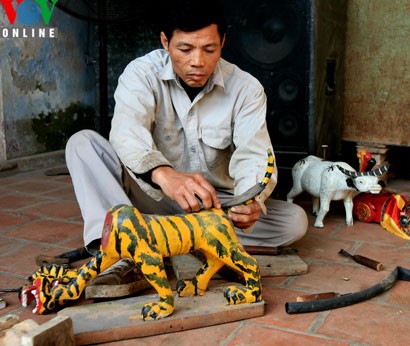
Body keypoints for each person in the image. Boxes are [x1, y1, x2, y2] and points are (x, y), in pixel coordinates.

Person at [65, 0, 308, 260]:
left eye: (209, 49)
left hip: (213, 207)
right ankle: (117, 246)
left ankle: (148, 236)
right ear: (165, 42)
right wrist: (164, 174)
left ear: (223, 42)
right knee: (83, 144)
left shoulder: (246, 89)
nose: (197, 62)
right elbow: (127, 134)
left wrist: (250, 202)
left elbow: (254, 154)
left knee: (294, 222)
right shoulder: (141, 74)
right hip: (153, 196)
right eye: (185, 49)